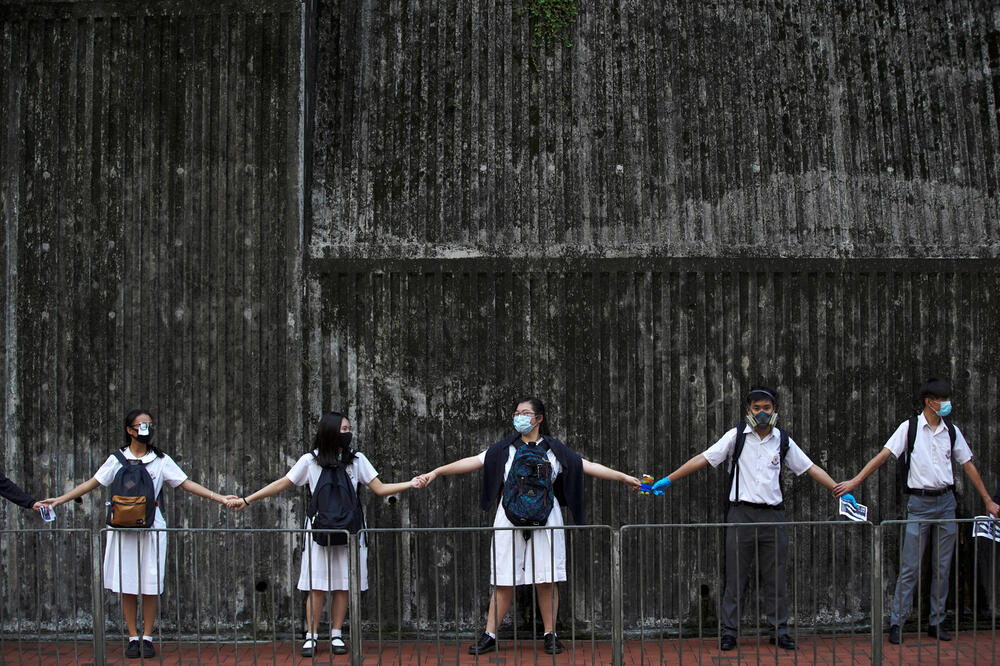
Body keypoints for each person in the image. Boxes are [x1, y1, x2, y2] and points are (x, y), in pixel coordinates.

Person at [416, 397, 640, 655]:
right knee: (503, 578)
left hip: (546, 518)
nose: (519, 417)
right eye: (516, 413)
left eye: (525, 413)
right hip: (508, 517)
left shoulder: (555, 449)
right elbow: (472, 461)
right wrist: (437, 472)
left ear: (539, 419)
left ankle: (550, 634)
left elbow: (587, 466)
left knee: (547, 578)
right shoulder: (503, 450)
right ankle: (490, 635)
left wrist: (623, 477)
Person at [651, 385, 838, 651]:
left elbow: (809, 467)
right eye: (757, 408)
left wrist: (837, 490)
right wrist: (669, 479)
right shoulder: (736, 436)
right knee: (735, 577)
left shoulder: (782, 440)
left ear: (775, 410)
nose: (762, 413)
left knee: (776, 577)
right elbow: (703, 458)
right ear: (748, 410)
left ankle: (779, 629)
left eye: (767, 408)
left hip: (774, 516)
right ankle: (729, 632)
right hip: (740, 514)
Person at [42, 409, 237, 660]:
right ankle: (132, 637)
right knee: (128, 585)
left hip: (151, 527)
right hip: (123, 528)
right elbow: (92, 482)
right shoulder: (116, 459)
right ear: (129, 430)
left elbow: (186, 483)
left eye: (149, 424)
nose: (146, 428)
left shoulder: (160, 460)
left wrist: (219, 497)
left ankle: (147, 637)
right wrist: (59, 500)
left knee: (150, 584)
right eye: (141, 424)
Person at [228, 411, 420, 657]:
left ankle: (337, 633)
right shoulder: (310, 461)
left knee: (344, 585)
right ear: (329, 431)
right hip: (319, 531)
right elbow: (282, 483)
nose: (348, 433)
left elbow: (379, 488)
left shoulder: (357, 460)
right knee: (316, 586)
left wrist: (410, 483)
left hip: (350, 531)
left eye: (349, 429)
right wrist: (248, 499)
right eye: (343, 429)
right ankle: (311, 636)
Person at [834, 378, 1000, 644]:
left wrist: (988, 501)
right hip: (919, 504)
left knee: (943, 567)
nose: (946, 404)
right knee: (910, 566)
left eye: (947, 399)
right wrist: (855, 480)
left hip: (947, 503)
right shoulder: (909, 428)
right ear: (929, 401)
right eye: (941, 399)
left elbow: (968, 465)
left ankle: (937, 620)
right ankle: (898, 622)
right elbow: (883, 455)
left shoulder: (951, 432)